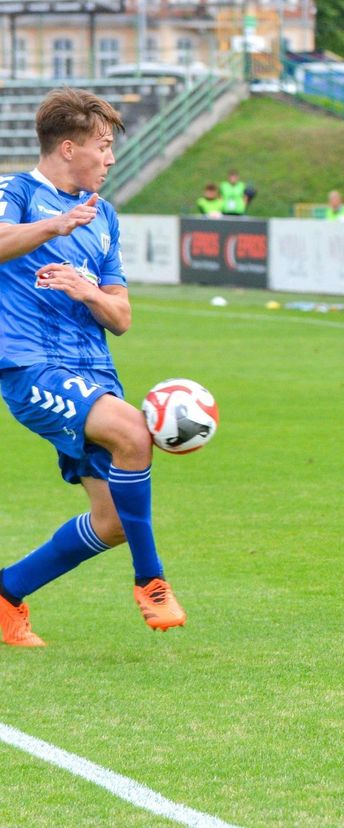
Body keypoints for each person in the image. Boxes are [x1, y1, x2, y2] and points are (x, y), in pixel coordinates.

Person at [0, 88, 186, 646]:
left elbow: (122, 316)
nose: (109, 159)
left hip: (92, 370)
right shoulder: (15, 193)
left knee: (111, 521)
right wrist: (52, 228)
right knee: (134, 432)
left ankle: (7, 593)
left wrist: (87, 293)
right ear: (66, 148)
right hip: (30, 366)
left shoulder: (103, 216)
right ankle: (151, 581)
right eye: (102, 147)